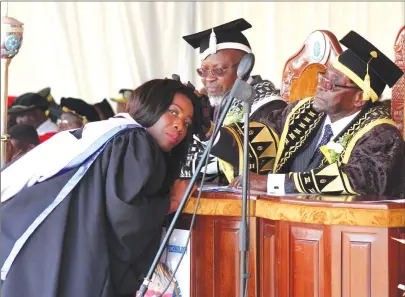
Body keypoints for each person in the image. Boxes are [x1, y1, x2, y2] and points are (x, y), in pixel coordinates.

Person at [1, 78, 202, 297]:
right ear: (149, 105)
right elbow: (127, 216)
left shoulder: (108, 132)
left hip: (37, 252)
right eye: (173, 112)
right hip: (73, 262)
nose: (180, 125)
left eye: (187, 122)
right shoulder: (135, 141)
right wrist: (172, 202)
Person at [222, 31, 404, 196]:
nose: (320, 87)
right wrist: (211, 135)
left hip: (340, 226)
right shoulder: (302, 112)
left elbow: (358, 178)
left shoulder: (382, 135)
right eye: (323, 77)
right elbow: (263, 134)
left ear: (359, 99)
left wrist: (271, 182)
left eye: (331, 84)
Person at [181, 18, 287, 184]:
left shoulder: (269, 106)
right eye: (203, 71)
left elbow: (259, 161)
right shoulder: (218, 103)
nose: (208, 79)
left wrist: (207, 129)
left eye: (218, 70)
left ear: (244, 67)